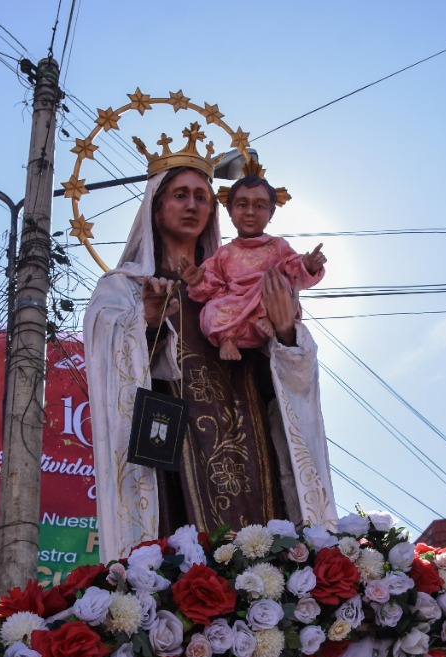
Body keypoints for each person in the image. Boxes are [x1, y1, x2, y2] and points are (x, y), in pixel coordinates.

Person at [85, 157, 336, 560]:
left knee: (263, 537)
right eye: (180, 195)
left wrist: (286, 330)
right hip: (171, 436)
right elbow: (108, 357)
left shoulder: (234, 282)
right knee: (183, 539)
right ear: (155, 205)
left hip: (248, 427)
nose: (192, 206)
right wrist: (145, 323)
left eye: (202, 197)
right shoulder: (125, 286)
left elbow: (289, 366)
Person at [182, 174, 326, 361]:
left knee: (277, 282)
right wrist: (197, 280)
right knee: (212, 309)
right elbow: (213, 283)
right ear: (230, 210)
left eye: (259, 206)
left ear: (271, 212)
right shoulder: (224, 253)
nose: (250, 212)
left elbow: (294, 271)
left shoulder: (278, 246)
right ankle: (227, 338)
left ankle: (269, 322)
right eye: (242, 205)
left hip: (269, 304)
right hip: (235, 307)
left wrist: (309, 265)